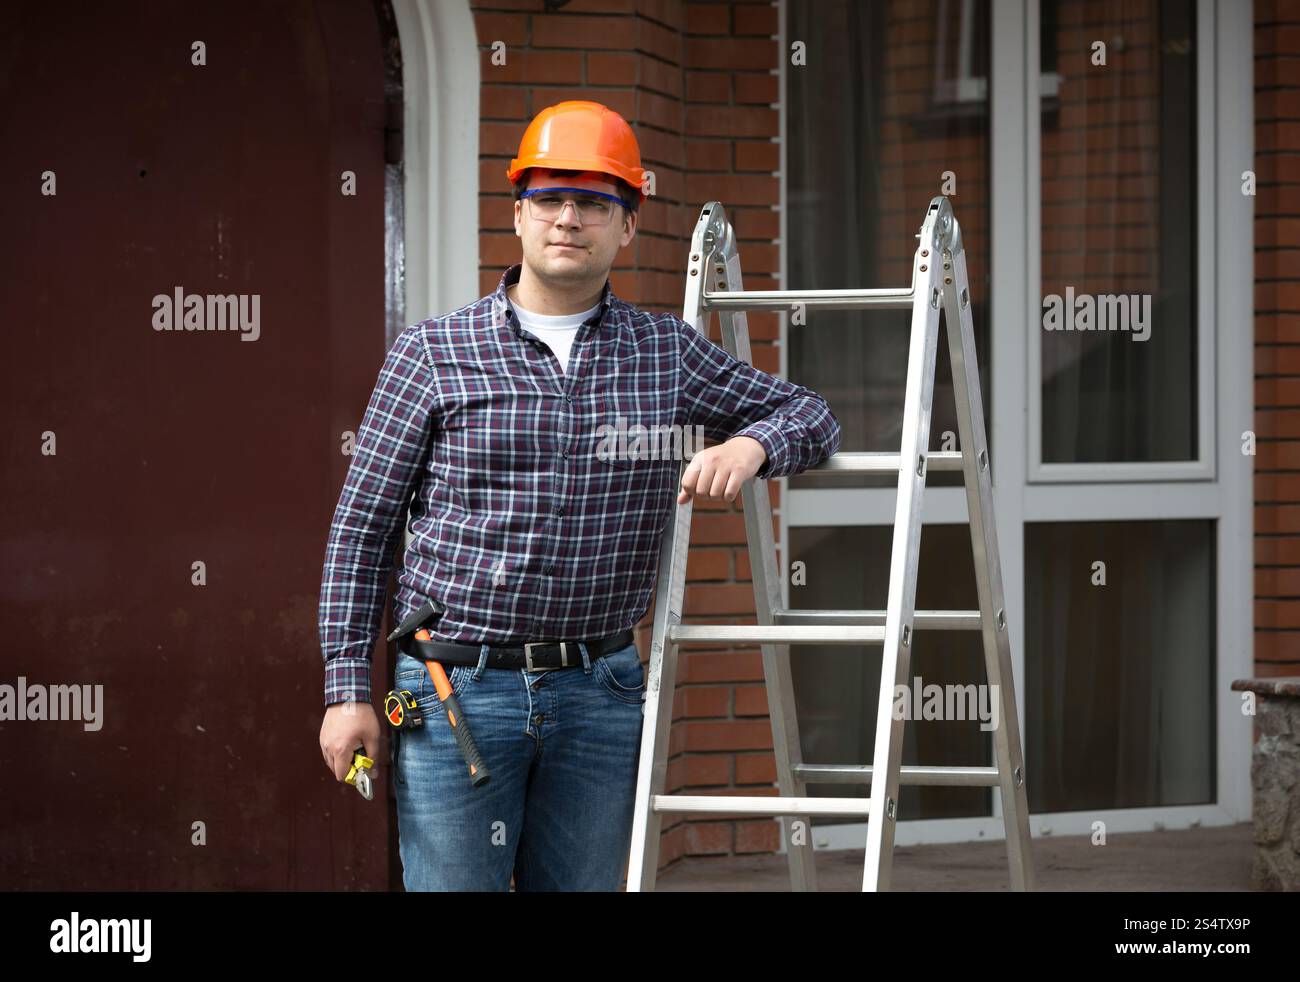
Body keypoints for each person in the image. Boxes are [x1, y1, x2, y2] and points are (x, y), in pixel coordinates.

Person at [317, 100, 841, 891]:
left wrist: (750, 443)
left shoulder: (666, 355)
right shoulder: (434, 352)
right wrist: (347, 689)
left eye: (595, 202)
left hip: (600, 693)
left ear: (626, 226)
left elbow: (813, 412)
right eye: (552, 199)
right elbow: (362, 530)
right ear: (519, 214)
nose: (570, 218)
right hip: (456, 688)